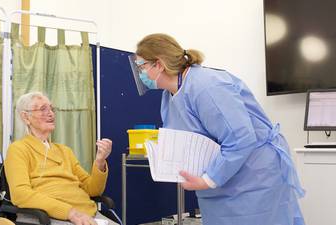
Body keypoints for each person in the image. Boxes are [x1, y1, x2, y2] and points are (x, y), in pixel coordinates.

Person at [130, 33, 305, 225]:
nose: (140, 73)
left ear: (159, 64)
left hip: (253, 177)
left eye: (142, 66)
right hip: (219, 183)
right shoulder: (169, 97)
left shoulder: (207, 85)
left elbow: (241, 138)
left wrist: (209, 179)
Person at [4, 92, 116, 225]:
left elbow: (92, 190)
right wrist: (70, 212)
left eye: (51, 108)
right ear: (26, 117)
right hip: (47, 216)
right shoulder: (18, 149)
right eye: (42, 109)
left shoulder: (64, 151)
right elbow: (20, 195)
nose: (50, 113)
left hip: (87, 214)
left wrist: (100, 161)